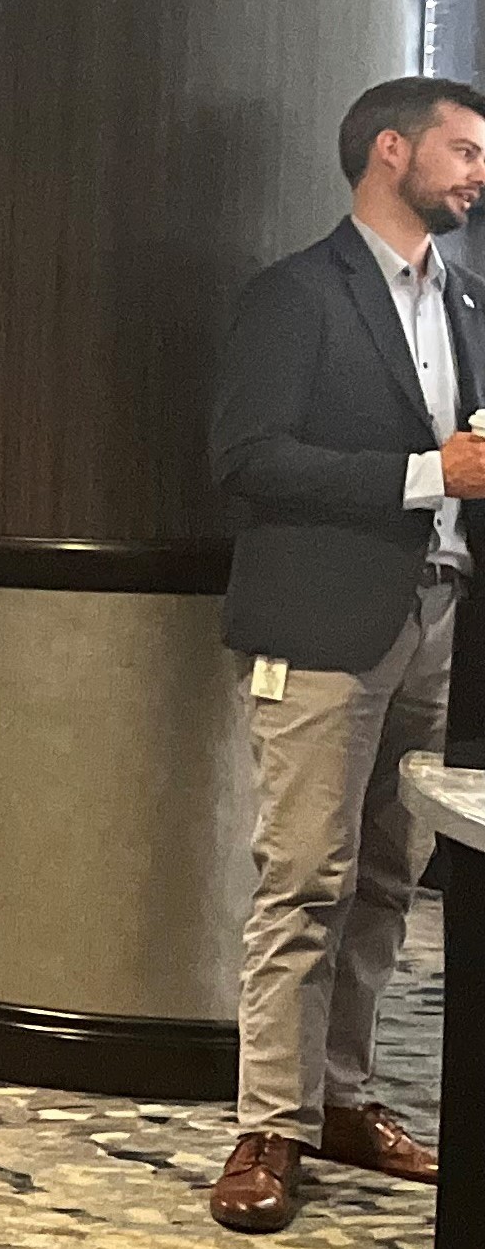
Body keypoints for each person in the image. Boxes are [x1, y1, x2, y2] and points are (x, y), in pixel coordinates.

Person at [201, 75, 485, 1232]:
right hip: (321, 627)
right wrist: (430, 476)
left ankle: (346, 1101)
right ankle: (268, 1127)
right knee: (303, 880)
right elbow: (248, 457)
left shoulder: (465, 301)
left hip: (435, 620)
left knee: (385, 884)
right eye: (463, 151)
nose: (478, 172)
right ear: (389, 153)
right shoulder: (295, 297)